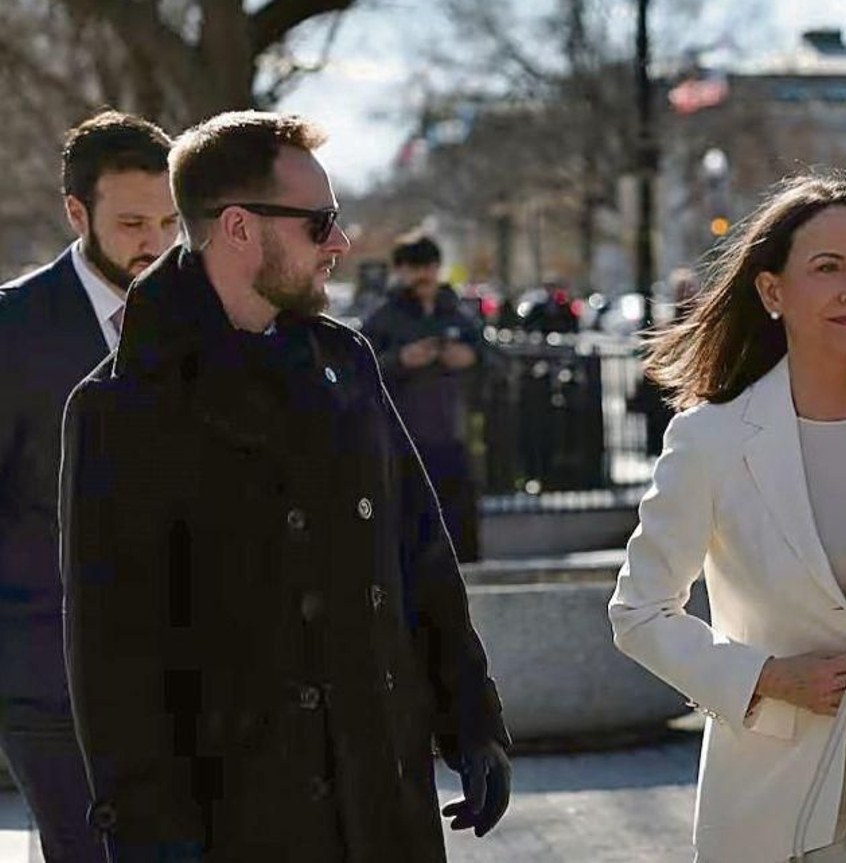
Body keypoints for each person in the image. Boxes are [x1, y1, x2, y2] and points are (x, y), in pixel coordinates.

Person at [58, 111, 511, 861]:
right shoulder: (121, 407)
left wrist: (472, 718)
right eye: (319, 224)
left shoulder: (346, 361)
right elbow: (112, 653)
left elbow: (419, 555)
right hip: (241, 817)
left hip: (382, 800)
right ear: (238, 227)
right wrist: (149, 832)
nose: (340, 243)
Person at [608, 175, 846, 861]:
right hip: (775, 804)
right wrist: (766, 678)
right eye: (829, 268)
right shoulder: (712, 440)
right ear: (772, 292)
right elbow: (639, 612)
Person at [0, 110, 178, 862]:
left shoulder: (204, 313)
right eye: (134, 222)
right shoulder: (14, 329)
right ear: (78, 212)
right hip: (49, 674)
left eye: (171, 220)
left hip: (183, 668)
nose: (157, 242)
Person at [361, 234, 485, 562]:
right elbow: (359, 370)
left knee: (460, 533)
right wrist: (401, 360)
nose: (423, 276)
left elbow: (494, 361)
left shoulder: (457, 313)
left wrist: (470, 357)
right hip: (404, 440)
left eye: (429, 267)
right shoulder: (384, 317)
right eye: (414, 268)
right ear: (400, 270)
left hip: (454, 437)